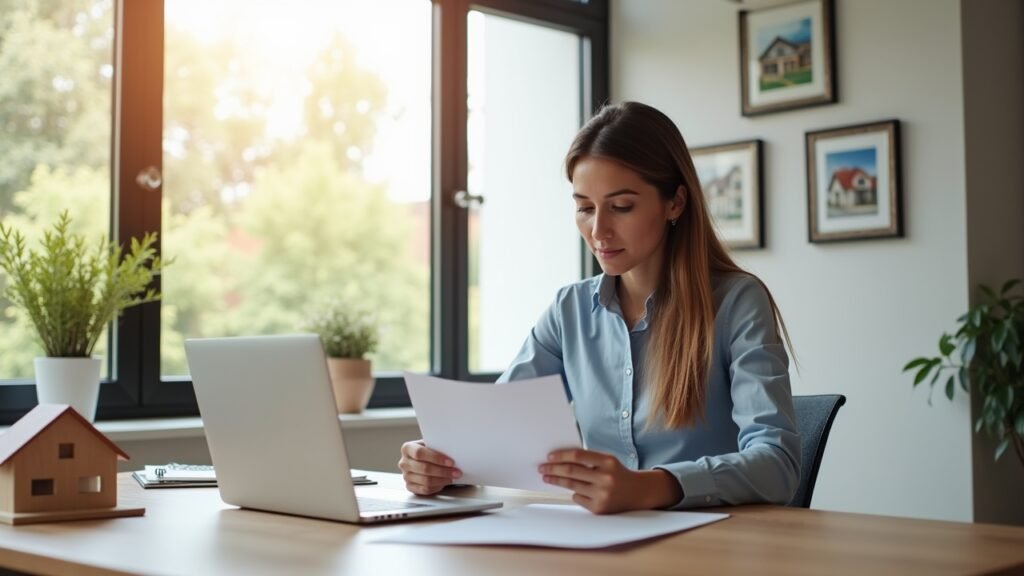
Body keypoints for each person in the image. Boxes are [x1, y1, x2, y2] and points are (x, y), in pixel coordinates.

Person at [398, 101, 800, 514]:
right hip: (603, 543)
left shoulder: (737, 302)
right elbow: (495, 432)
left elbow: (778, 464)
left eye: (622, 207)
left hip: (713, 546)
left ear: (675, 203)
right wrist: (437, 461)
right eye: (585, 207)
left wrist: (651, 487)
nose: (598, 231)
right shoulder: (568, 310)